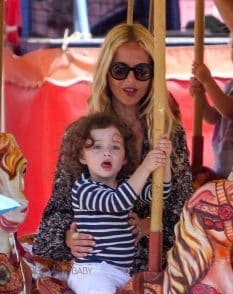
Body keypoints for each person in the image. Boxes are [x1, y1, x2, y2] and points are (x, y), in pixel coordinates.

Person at [33, 23, 192, 272]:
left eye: (142, 71)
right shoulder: (81, 134)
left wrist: (149, 224)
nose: (131, 80)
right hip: (97, 265)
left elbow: (182, 208)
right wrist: (68, 238)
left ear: (154, 75)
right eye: (120, 70)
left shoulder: (169, 133)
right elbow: (57, 212)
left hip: (154, 268)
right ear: (106, 73)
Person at [63, 112, 171, 294]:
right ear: (82, 156)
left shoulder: (125, 186)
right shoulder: (84, 189)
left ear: (124, 158)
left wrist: (165, 161)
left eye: (115, 146)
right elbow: (116, 202)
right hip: (93, 270)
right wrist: (146, 166)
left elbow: (159, 195)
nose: (107, 152)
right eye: (97, 147)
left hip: (121, 272)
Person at [190, 34, 233, 178]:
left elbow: (228, 111)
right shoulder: (230, 85)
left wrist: (208, 81)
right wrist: (200, 96)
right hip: (221, 167)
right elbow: (213, 117)